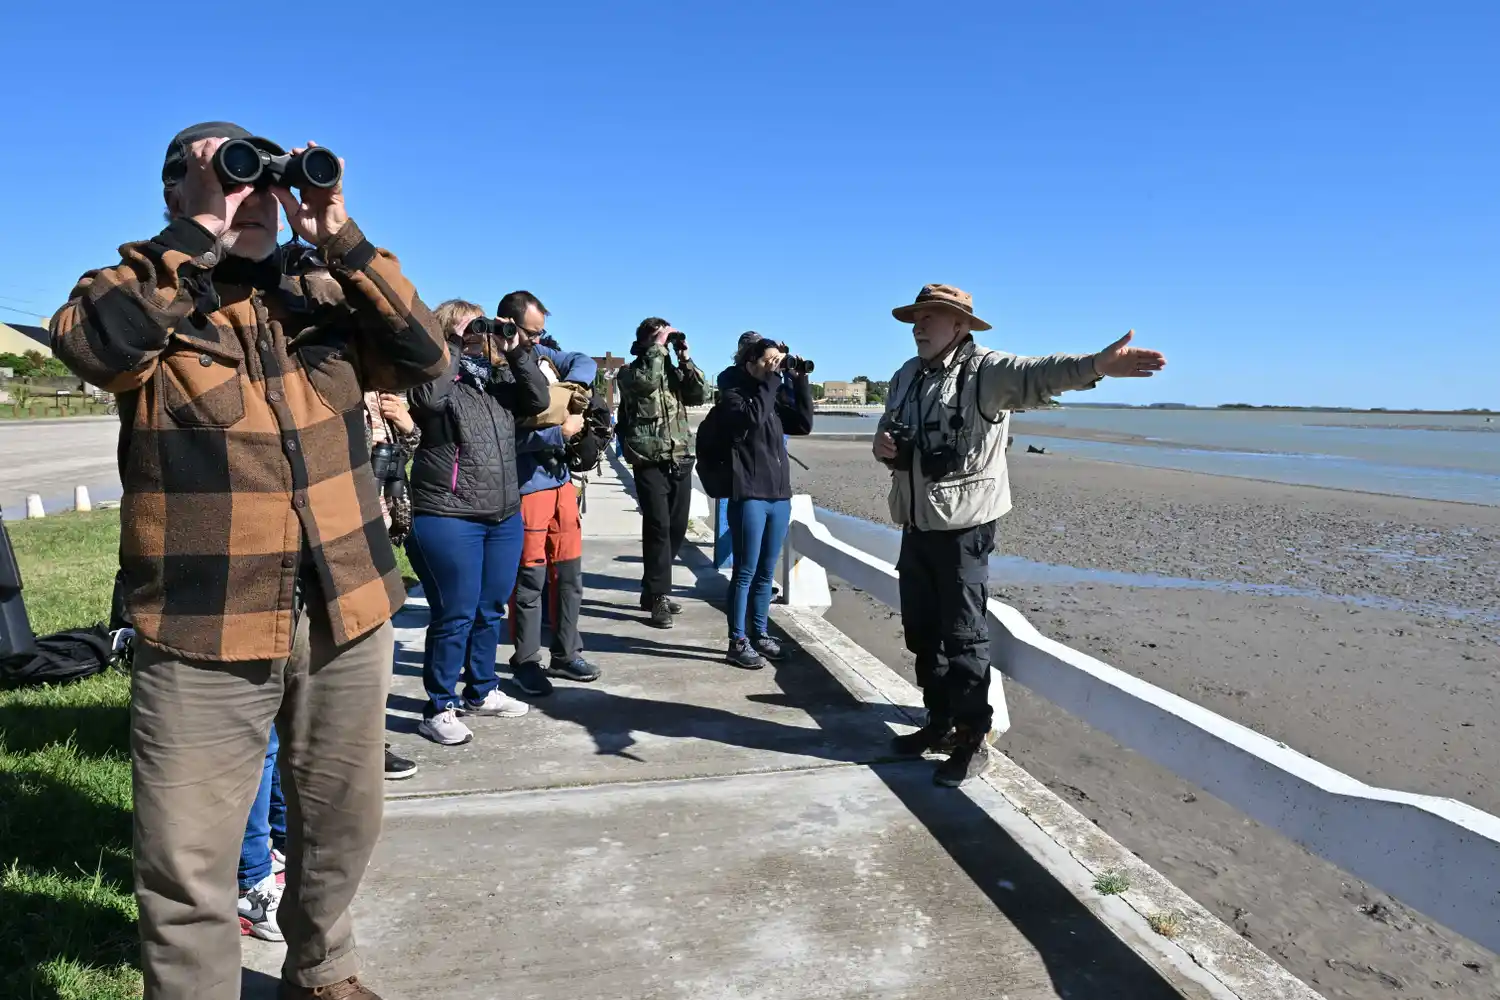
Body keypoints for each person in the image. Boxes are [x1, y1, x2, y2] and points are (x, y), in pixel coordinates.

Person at [50, 121, 450, 1000]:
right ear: (176, 192)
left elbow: (429, 354)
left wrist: (337, 230)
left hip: (347, 604)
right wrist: (198, 232)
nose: (254, 196)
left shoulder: (324, 291)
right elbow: (94, 348)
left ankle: (323, 969)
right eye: (232, 176)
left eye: (266, 179)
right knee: (185, 858)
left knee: (343, 821)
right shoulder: (135, 287)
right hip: (204, 618)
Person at [875, 284, 1166, 787]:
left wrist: (1098, 364)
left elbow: (1041, 373)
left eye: (930, 317)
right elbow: (889, 431)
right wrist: (882, 446)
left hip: (965, 528)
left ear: (960, 325)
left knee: (964, 638)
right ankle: (938, 724)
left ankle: (971, 740)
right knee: (923, 633)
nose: (919, 326)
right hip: (915, 523)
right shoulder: (905, 376)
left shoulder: (988, 372)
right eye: (915, 318)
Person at [406, 299, 550, 745]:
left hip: (502, 512)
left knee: (491, 608)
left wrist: (518, 350)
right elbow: (428, 402)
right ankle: (439, 706)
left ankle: (482, 690)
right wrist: (452, 345)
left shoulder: (498, 381)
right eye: (473, 326)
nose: (482, 333)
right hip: (449, 514)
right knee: (455, 614)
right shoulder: (431, 373)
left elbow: (539, 399)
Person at [497, 291, 600, 693]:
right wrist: (558, 429)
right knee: (530, 579)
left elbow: (583, 361)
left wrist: (569, 393)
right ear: (508, 324)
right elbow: (503, 438)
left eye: (543, 333)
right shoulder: (498, 372)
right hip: (528, 489)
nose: (538, 340)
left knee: (570, 573)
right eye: (532, 332)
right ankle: (526, 661)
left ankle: (566, 652)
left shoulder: (543, 355)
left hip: (559, 484)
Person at [713, 335, 814, 668]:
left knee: (766, 572)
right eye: (769, 361)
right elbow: (752, 419)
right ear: (750, 364)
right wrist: (770, 379)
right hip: (750, 494)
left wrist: (799, 382)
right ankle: (737, 640)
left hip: (778, 495)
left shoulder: (772, 395)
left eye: (777, 361)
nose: (775, 367)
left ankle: (759, 633)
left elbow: (802, 423)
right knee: (745, 571)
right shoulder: (734, 395)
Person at [615, 318, 709, 628]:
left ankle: (651, 589)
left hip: (680, 456)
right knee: (658, 526)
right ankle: (658, 596)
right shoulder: (629, 373)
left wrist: (684, 356)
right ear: (646, 341)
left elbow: (700, 393)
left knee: (676, 528)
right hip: (648, 459)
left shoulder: (671, 370)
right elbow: (646, 384)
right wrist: (656, 348)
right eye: (660, 338)